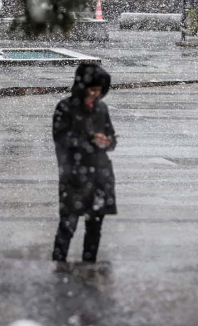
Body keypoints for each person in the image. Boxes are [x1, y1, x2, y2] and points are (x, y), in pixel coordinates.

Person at [51, 63, 117, 263]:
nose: (95, 94)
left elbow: (111, 135)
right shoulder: (65, 107)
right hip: (74, 176)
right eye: (92, 89)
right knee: (68, 225)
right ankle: (59, 264)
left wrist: (108, 141)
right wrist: (90, 139)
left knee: (95, 227)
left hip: (99, 175)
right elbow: (61, 138)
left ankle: (89, 266)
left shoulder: (101, 108)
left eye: (98, 90)